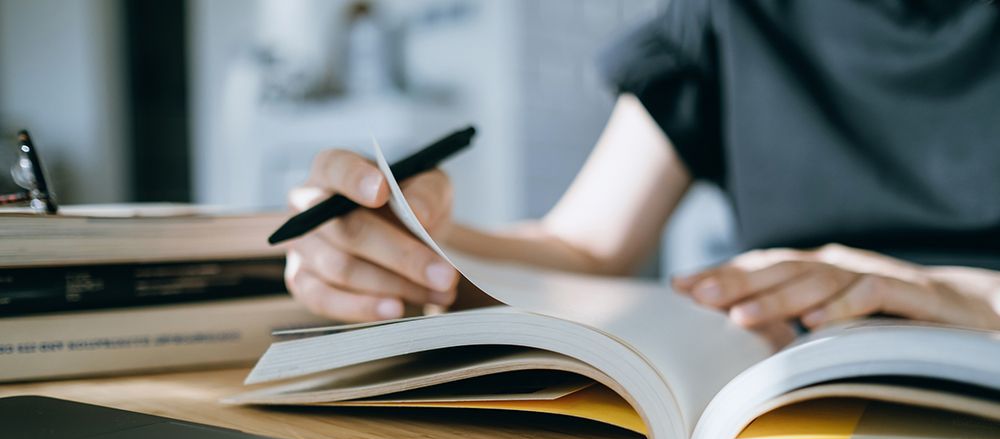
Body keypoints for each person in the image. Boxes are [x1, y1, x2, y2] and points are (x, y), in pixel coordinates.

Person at [282, 0, 1000, 337]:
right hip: (802, 431)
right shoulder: (735, 16)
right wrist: (399, 237)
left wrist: (962, 297)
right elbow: (585, 248)